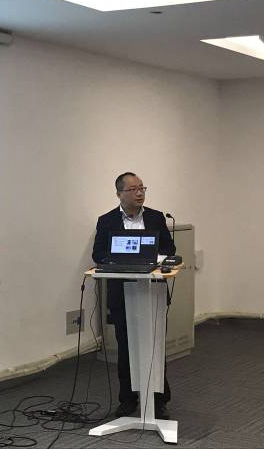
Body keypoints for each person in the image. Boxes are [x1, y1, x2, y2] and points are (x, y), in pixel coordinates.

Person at [92, 172, 176, 419]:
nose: (140, 193)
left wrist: (152, 259)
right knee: (126, 346)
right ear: (119, 194)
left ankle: (158, 400)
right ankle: (128, 400)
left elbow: (169, 249)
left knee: (155, 346)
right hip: (123, 291)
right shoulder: (106, 220)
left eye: (142, 188)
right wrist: (120, 260)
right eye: (133, 189)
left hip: (152, 291)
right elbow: (98, 253)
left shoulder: (155, 217)